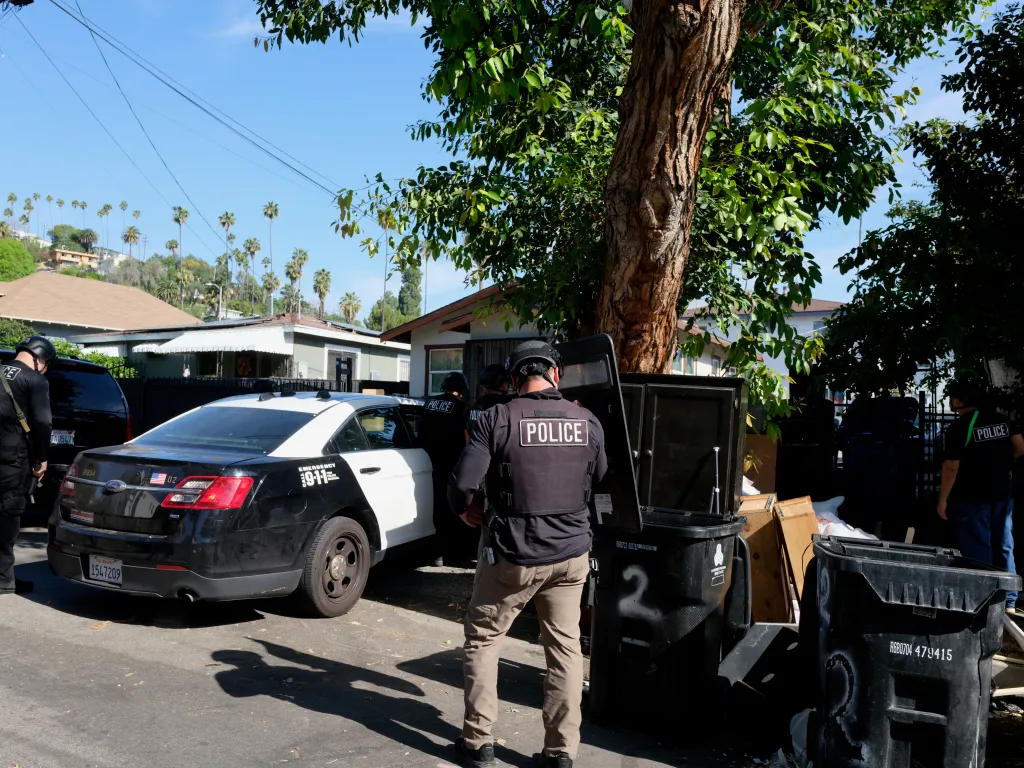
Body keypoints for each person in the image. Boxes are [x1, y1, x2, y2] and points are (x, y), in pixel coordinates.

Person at [448, 340, 607, 768]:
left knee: (483, 639)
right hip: (572, 556)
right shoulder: (587, 421)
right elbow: (604, 476)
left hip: (513, 555)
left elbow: (463, 483)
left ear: (514, 379)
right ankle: (560, 754)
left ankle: (479, 743)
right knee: (565, 650)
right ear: (556, 374)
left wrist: (467, 511)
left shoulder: (497, 418)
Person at [938, 379, 1024, 613]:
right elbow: (1020, 447)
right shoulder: (1003, 420)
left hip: (971, 495)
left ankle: (984, 599)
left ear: (957, 401)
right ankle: (1008, 600)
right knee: (1004, 544)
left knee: (978, 547)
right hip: (1003, 493)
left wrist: (942, 499)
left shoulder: (958, 428)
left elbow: (951, 467)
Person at [0, 336, 56, 595]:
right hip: (12, 460)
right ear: (40, 359)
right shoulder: (35, 380)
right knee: (8, 516)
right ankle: (4, 579)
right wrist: (41, 458)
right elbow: (43, 423)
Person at [421, 371, 472, 566]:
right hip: (453, 464)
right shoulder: (462, 407)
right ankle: (454, 555)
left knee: (436, 510)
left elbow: (421, 430)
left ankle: (437, 554)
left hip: (428, 463)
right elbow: (467, 437)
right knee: (455, 509)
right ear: (461, 390)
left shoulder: (428, 403)